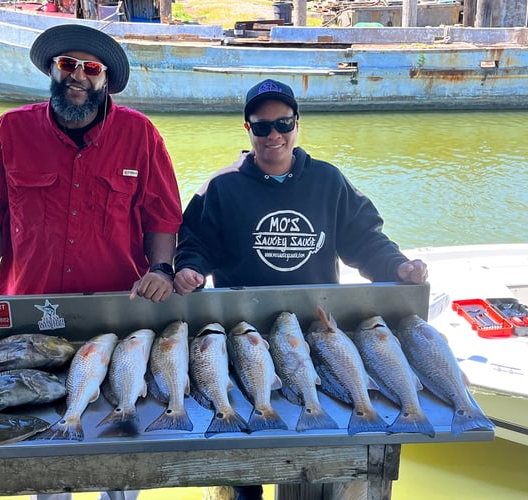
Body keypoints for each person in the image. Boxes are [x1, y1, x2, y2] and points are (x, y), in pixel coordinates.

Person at [0, 24, 182, 500]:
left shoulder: (141, 134)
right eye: (67, 65)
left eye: (90, 68)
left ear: (105, 80)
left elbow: (163, 218)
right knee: (46, 457)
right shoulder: (9, 130)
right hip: (32, 320)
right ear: (53, 71)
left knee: (119, 453)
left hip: (118, 318)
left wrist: (160, 269)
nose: (77, 74)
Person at [173, 79, 427, 500]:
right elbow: (195, 244)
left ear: (297, 124)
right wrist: (190, 270)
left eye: (283, 123)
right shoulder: (220, 187)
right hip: (241, 337)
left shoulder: (329, 181)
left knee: (320, 458)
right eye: (261, 127)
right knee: (240, 466)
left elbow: (365, 239)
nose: (273, 134)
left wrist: (396, 266)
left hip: (316, 333)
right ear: (247, 130)